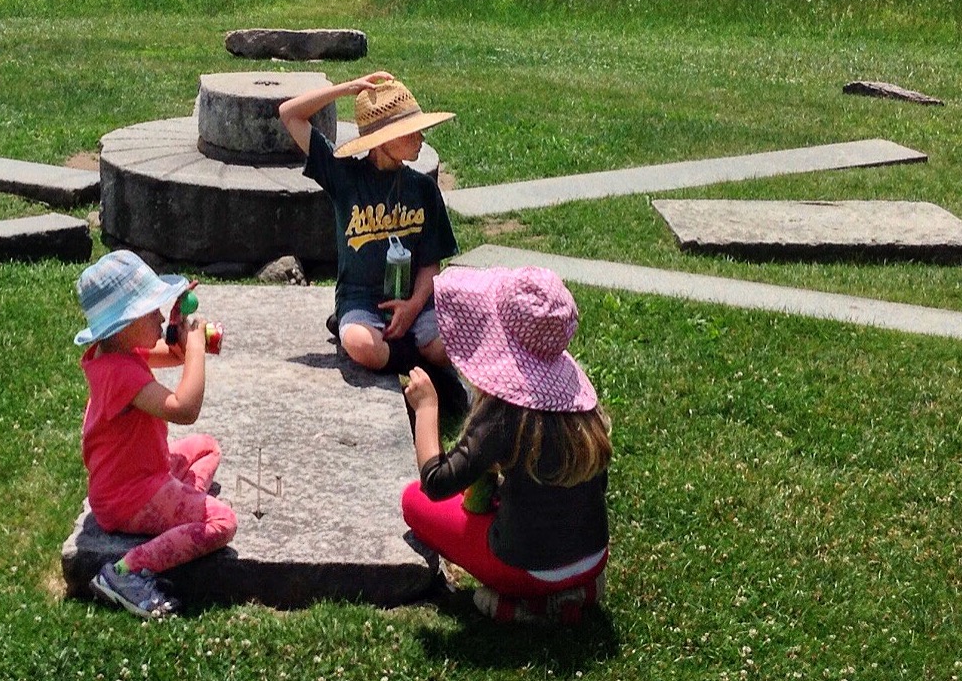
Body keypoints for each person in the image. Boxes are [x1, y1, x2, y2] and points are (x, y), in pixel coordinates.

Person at [400, 265, 611, 624]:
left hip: (524, 566)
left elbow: (435, 482)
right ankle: (577, 592)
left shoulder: (505, 412)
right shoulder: (580, 402)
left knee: (414, 500)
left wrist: (427, 407)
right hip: (592, 557)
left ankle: (523, 606)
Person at [278, 72, 461, 398]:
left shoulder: (424, 189)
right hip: (361, 298)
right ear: (383, 139)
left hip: (414, 300)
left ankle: (417, 357)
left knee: (448, 347)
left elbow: (431, 264)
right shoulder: (344, 177)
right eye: (410, 132)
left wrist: (413, 305)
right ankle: (422, 367)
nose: (420, 138)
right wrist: (347, 88)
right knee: (362, 346)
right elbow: (289, 113)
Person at [74, 249, 237, 617]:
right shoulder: (121, 372)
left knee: (207, 448)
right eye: (153, 311)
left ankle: (178, 509)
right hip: (129, 499)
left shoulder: (115, 352)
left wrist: (179, 328)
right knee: (223, 522)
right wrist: (195, 345)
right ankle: (125, 571)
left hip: (140, 474)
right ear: (125, 323)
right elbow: (185, 408)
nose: (160, 316)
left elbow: (173, 355)